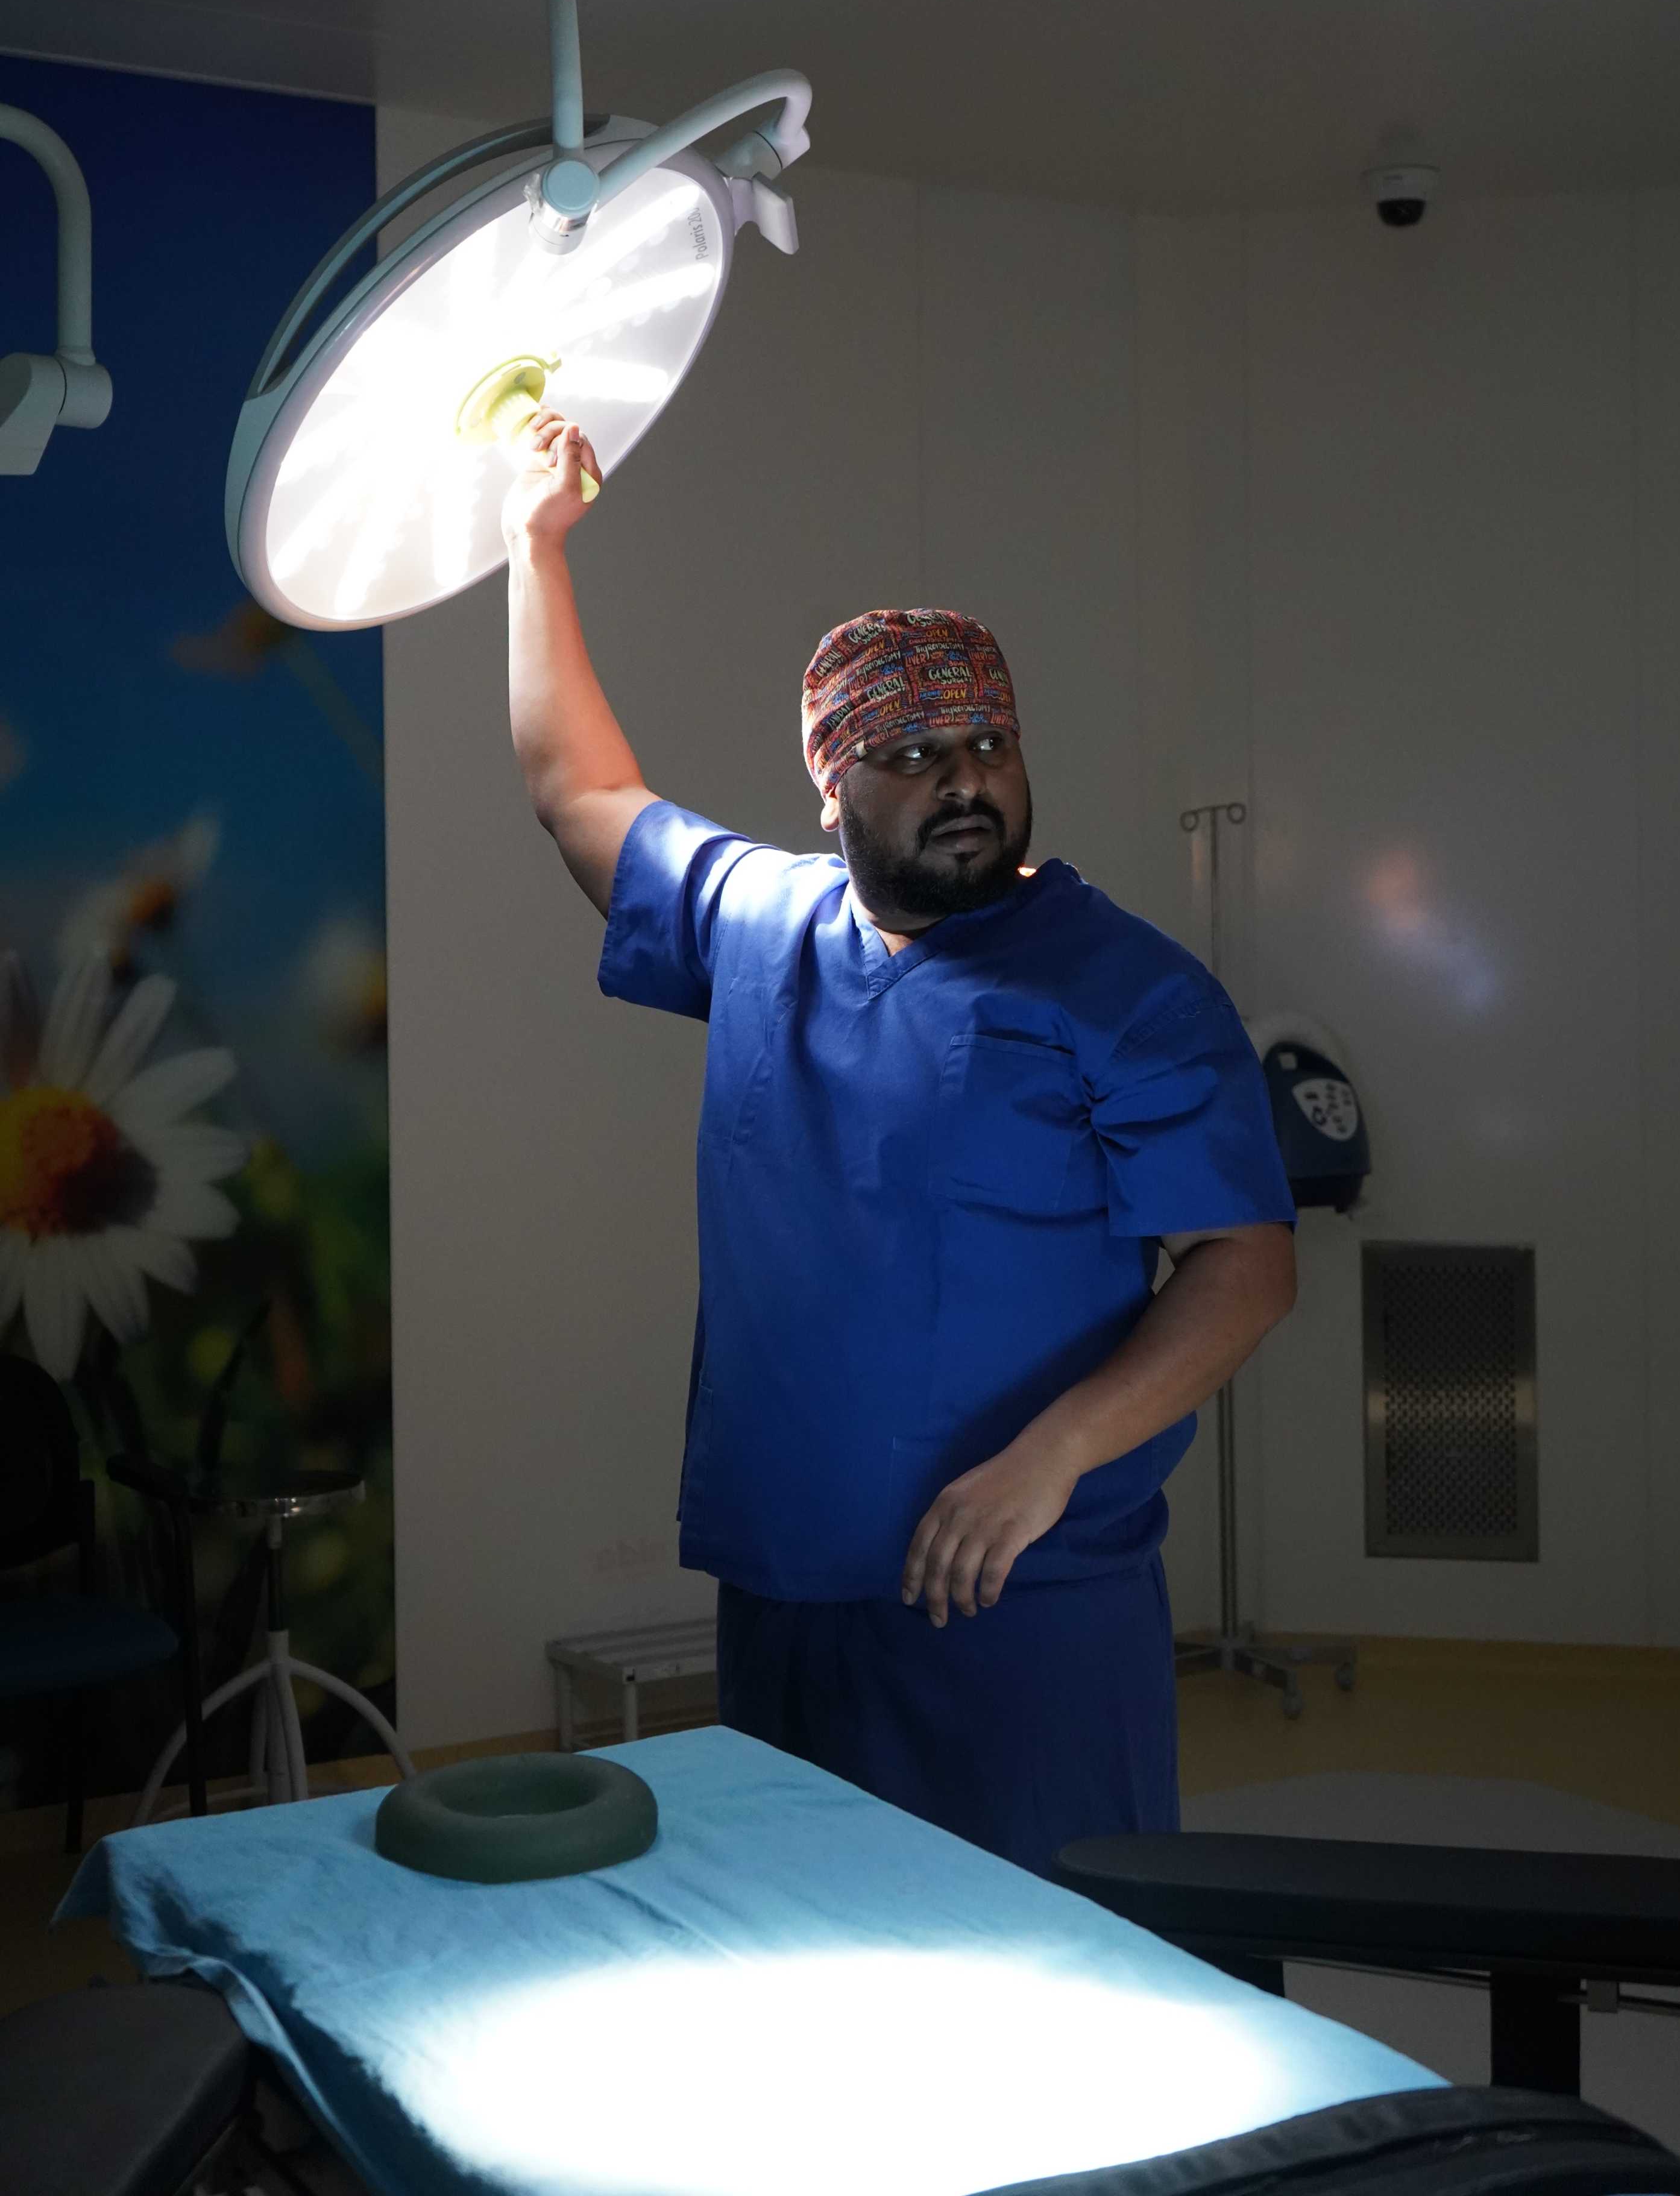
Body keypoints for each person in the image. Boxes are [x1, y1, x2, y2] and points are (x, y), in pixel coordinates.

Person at [505, 412, 1297, 1877]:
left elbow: (1245, 1263)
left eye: (988, 743)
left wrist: (1051, 1457)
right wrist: (534, 546)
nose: (964, 780)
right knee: (807, 1936)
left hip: (1023, 1594)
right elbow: (578, 793)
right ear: (832, 786)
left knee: (1056, 1945)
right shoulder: (758, 926)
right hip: (790, 1581)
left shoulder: (1125, 990)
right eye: (914, 753)